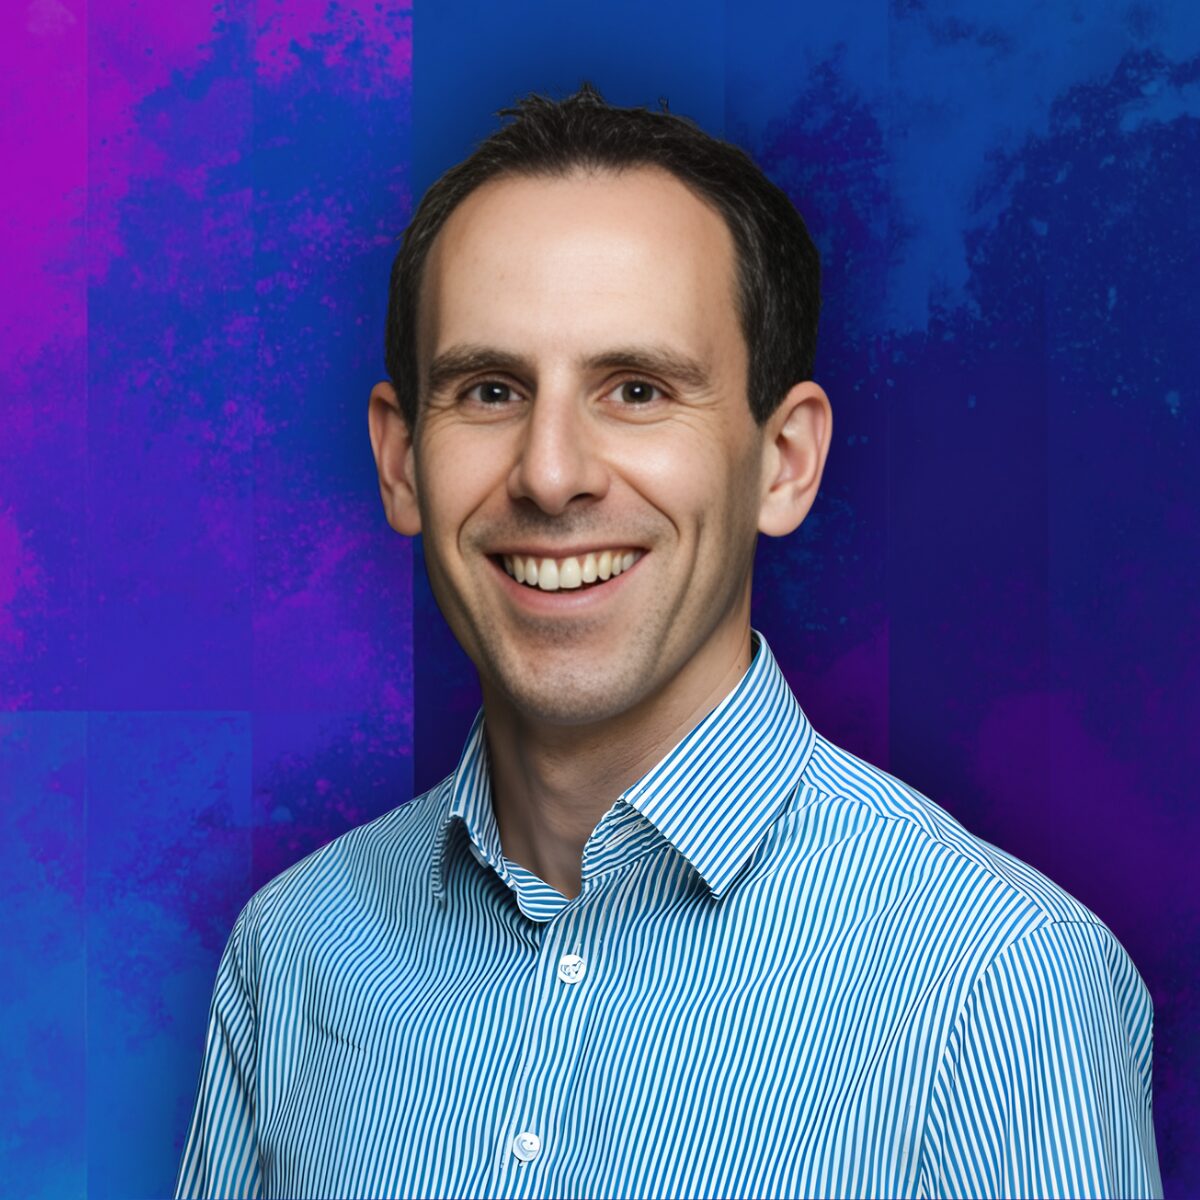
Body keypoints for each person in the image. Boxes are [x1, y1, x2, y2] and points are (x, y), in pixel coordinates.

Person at [176, 85, 1161, 1199]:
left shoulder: (998, 984)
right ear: (402, 460)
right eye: (490, 390)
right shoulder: (294, 952)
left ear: (783, 461)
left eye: (637, 390)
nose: (551, 473)